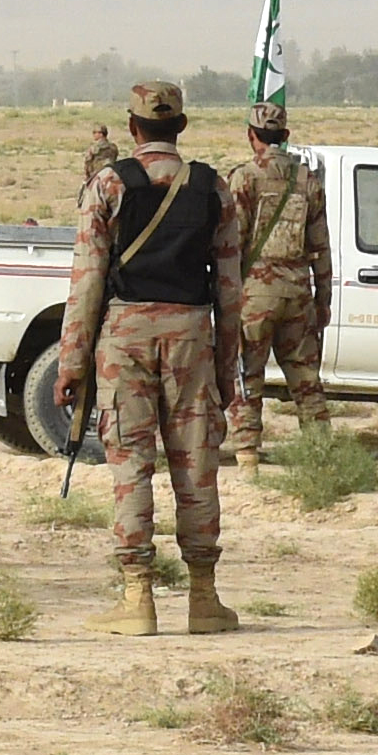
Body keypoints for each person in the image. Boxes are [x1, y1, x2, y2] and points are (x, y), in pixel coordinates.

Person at [55, 81, 242, 636]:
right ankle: (204, 599)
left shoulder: (108, 184)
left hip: (124, 339)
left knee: (131, 467)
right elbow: (230, 290)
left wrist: (71, 363)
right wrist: (228, 370)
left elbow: (86, 284)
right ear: (179, 128)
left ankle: (137, 597)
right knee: (196, 467)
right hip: (191, 338)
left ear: (133, 128)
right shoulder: (214, 189)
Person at [225, 100, 332, 463]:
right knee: (305, 380)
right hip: (298, 291)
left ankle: (247, 455)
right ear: (284, 136)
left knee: (247, 376)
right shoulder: (307, 179)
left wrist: (224, 296)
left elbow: (232, 242)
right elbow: (321, 245)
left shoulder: (244, 177)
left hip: (254, 294)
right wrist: (324, 299)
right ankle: (319, 452)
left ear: (251, 136)